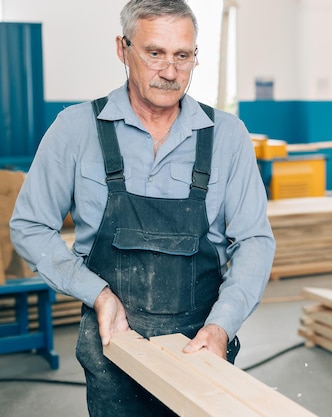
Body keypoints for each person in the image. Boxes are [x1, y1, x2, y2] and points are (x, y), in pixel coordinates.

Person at [9, 0, 275, 415]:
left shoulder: (228, 135)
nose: (170, 72)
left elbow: (255, 240)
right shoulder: (75, 129)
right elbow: (29, 226)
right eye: (155, 53)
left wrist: (221, 326)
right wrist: (97, 295)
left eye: (183, 56)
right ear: (123, 48)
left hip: (201, 350)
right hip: (113, 347)